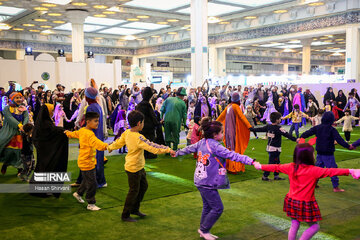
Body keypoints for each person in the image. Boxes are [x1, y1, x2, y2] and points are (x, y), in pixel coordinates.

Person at [253, 143, 360, 240]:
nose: (314, 155)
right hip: (306, 203)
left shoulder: (291, 167)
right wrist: (350, 170)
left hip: (291, 201)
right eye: (313, 153)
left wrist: (260, 166)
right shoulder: (314, 170)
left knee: (294, 223)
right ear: (309, 156)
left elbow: (276, 167)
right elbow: (331, 171)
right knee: (314, 226)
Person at [173, 120, 257, 240]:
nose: (223, 134)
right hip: (207, 182)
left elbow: (190, 148)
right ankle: (204, 229)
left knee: (208, 206)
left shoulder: (203, 142)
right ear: (215, 135)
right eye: (221, 132)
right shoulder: (216, 146)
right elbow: (233, 155)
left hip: (200, 180)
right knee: (218, 208)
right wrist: (251, 161)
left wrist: (177, 153)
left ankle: (203, 230)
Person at [107, 110, 175, 222]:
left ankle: (134, 209)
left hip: (138, 167)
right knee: (133, 190)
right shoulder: (138, 138)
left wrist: (110, 147)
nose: (143, 124)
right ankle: (125, 214)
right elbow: (152, 147)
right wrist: (168, 149)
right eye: (143, 122)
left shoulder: (127, 133)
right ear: (139, 123)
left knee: (143, 187)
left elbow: (118, 143)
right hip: (133, 168)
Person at [65, 112, 109, 211]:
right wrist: (108, 146)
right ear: (88, 122)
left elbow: (73, 134)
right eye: (95, 121)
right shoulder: (89, 134)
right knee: (92, 183)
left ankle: (78, 193)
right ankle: (91, 203)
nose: (97, 123)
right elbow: (98, 144)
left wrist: (67, 133)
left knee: (87, 180)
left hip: (86, 162)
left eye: (98, 121)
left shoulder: (82, 131)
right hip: (87, 163)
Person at [300, 111, 352, 192]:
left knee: (317, 170)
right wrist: (348, 146)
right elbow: (340, 140)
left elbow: (306, 133)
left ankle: (313, 184)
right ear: (331, 119)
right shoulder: (332, 130)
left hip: (319, 153)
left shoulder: (317, 127)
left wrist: (301, 137)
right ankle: (335, 187)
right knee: (333, 170)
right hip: (328, 154)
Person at [30, 104, 69, 198]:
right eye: (51, 110)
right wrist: (63, 132)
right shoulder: (46, 124)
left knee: (42, 167)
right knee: (46, 168)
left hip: (44, 152)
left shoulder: (42, 123)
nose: (52, 112)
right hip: (46, 152)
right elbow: (53, 133)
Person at [251, 112, 297, 181]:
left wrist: (251, 129)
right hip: (275, 149)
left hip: (270, 148)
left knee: (277, 162)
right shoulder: (279, 128)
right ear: (277, 120)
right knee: (271, 163)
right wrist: (296, 139)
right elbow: (287, 135)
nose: (280, 120)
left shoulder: (268, 126)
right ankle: (265, 176)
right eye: (279, 119)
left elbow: (259, 129)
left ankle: (276, 175)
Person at [217, 92, 252, 173]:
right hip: (234, 131)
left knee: (229, 147)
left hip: (227, 131)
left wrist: (214, 123)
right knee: (234, 147)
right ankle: (233, 167)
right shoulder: (235, 107)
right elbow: (241, 116)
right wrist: (249, 126)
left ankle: (229, 166)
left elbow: (221, 117)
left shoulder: (228, 106)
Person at [0, 92, 29, 175]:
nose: (19, 99)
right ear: (12, 99)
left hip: (19, 132)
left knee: (19, 150)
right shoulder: (7, 108)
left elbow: (26, 117)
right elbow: (9, 118)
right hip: (9, 131)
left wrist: (24, 126)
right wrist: (18, 125)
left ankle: (20, 168)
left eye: (20, 98)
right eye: (17, 98)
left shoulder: (23, 108)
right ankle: (6, 163)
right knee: (7, 149)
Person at [135, 87, 159, 159]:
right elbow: (153, 117)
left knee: (142, 141)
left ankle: (143, 154)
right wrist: (157, 123)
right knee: (150, 141)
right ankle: (150, 154)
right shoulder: (148, 105)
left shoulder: (138, 105)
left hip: (140, 127)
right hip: (149, 127)